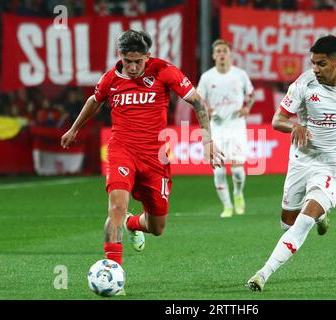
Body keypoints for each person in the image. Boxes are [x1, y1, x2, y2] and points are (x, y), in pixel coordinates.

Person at [60, 30, 224, 288]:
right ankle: (113, 275)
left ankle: (132, 223)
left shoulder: (164, 71)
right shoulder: (111, 79)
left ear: (148, 56)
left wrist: (208, 140)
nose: (134, 67)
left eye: (139, 61)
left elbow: (198, 102)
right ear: (120, 56)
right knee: (115, 207)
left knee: (157, 226)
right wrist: (74, 128)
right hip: (121, 150)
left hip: (156, 157)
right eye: (128, 61)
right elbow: (95, 100)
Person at [246, 35, 336, 291]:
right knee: (287, 223)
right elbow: (277, 120)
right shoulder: (303, 84)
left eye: (321, 64)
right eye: (313, 63)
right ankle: (321, 217)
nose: (315, 69)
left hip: (334, 165)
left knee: (303, 221)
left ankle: (262, 274)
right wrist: (293, 125)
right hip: (302, 160)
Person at [197, 39, 255, 218]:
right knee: (219, 170)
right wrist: (207, 109)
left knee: (238, 170)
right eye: (218, 51)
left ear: (230, 54)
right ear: (214, 56)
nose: (222, 54)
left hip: (237, 127)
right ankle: (227, 206)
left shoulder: (240, 75)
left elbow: (251, 95)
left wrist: (247, 108)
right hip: (217, 128)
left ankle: (238, 193)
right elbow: (198, 102)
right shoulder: (207, 77)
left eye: (224, 51)